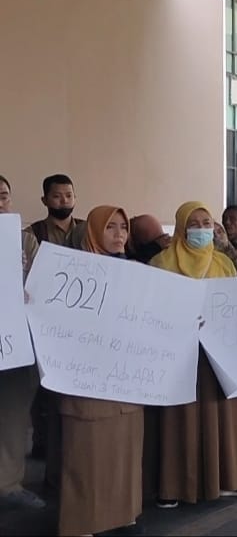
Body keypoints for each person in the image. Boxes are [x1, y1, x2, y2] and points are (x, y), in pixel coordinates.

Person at [149, 201, 237, 508]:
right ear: (181, 226)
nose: (201, 229)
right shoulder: (161, 263)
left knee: (223, 415)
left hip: (218, 353)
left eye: (206, 222)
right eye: (194, 223)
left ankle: (230, 479)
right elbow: (151, 306)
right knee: (180, 418)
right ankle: (174, 485)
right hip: (178, 353)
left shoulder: (224, 263)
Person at [56, 205, 145, 536]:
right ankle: (80, 524)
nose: (120, 234)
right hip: (87, 382)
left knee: (123, 452)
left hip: (127, 382)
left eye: (123, 227)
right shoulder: (69, 274)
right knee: (87, 455)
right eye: (110, 227)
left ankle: (121, 515)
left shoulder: (137, 272)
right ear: (92, 231)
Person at [28, 174, 83, 470]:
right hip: (46, 320)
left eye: (69, 195)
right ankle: (43, 440)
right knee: (44, 382)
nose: (64, 201)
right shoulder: (32, 233)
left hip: (82, 320)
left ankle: (71, 437)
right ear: (45, 200)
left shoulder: (89, 230)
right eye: (57, 196)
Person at [0, 175, 45, 510]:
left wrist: (28, 283)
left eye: (3, 197)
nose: (0, 204)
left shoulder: (25, 241)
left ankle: (8, 483)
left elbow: (41, 286)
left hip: (15, 343)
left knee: (13, 414)